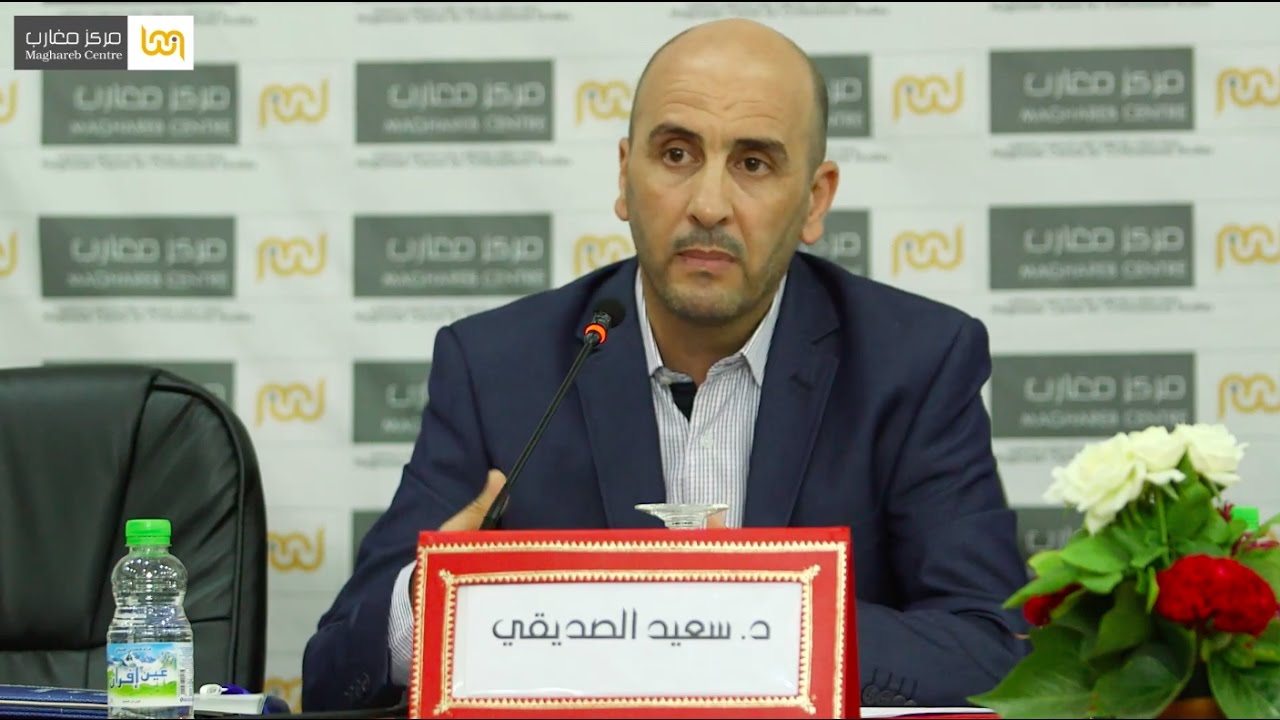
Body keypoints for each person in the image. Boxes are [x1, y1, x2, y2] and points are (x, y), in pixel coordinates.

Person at [302, 17, 1028, 712]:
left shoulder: (915, 363)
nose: (708, 204)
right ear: (625, 176)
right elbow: (334, 673)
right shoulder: (497, 369)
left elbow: (996, 651)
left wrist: (749, 625)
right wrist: (431, 603)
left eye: (752, 163)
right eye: (677, 155)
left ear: (815, 200)